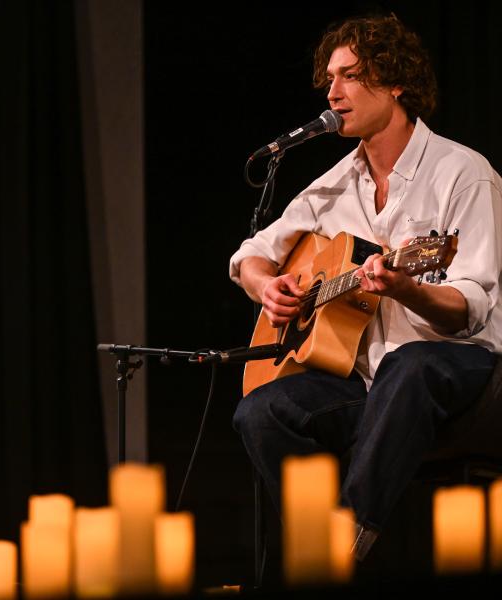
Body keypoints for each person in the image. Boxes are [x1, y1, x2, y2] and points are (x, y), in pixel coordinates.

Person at [230, 13, 502, 561]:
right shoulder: (333, 186)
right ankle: (315, 541)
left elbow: (469, 308)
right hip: (377, 390)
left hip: (463, 374)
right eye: (330, 79)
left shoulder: (463, 173)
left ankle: (348, 543)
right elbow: (250, 254)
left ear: (396, 81)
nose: (333, 93)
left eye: (350, 76)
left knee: (411, 363)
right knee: (261, 408)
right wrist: (269, 287)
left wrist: (407, 289)